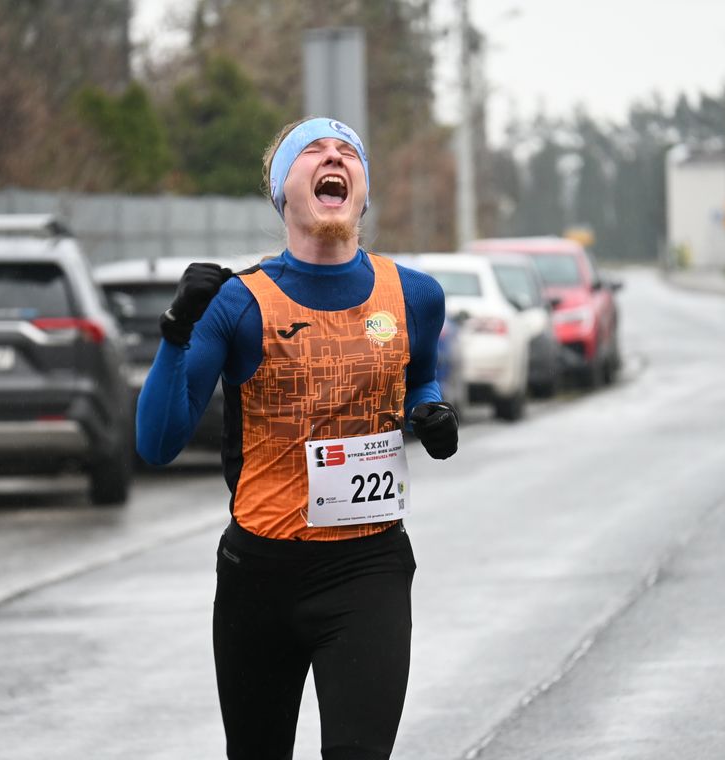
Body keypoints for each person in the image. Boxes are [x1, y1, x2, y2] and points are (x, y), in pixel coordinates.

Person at [136, 116, 458, 760]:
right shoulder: (239, 303)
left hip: (368, 568)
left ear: (363, 192)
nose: (333, 156)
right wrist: (175, 332)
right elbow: (157, 443)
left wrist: (432, 413)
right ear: (285, 190)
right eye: (313, 149)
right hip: (260, 576)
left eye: (349, 152)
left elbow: (420, 377)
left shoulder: (415, 296)